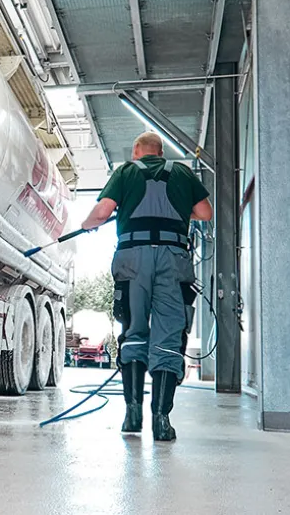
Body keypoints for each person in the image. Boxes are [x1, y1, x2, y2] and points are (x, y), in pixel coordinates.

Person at [80, 132, 212, 441]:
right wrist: (181, 213)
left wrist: (87, 226)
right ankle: (161, 420)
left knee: (133, 332)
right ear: (161, 152)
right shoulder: (181, 172)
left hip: (132, 259)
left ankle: (132, 414)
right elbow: (205, 213)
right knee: (169, 335)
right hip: (173, 257)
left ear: (136, 150)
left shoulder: (126, 171)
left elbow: (101, 213)